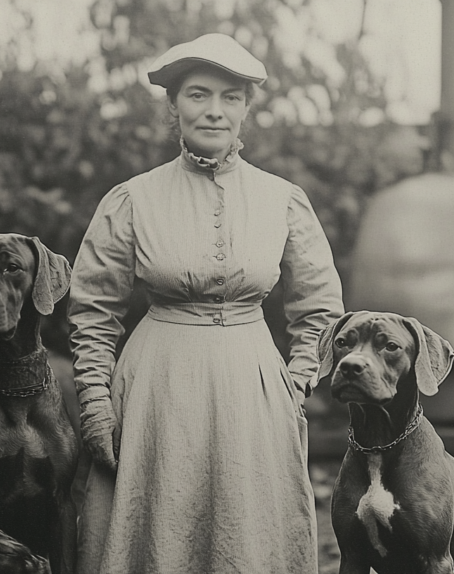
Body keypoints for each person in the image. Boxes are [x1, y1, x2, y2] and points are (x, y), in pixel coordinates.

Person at [67, 33, 344, 574]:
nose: (214, 111)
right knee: (158, 528)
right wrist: (97, 400)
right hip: (155, 390)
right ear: (173, 107)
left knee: (245, 531)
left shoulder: (282, 200)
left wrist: (299, 376)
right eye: (197, 95)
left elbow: (319, 306)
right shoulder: (131, 199)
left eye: (230, 97)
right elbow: (94, 312)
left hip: (253, 388)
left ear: (246, 110)